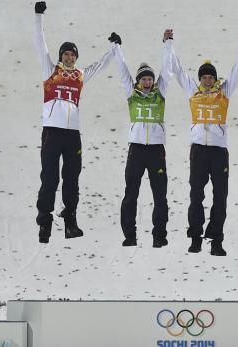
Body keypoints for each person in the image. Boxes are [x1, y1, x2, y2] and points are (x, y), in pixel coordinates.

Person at [34, 1, 115, 243]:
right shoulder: (50, 70)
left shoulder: (80, 75)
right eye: (66, 53)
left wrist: (113, 47)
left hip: (72, 134)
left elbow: (100, 66)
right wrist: (38, 16)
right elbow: (40, 43)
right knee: (50, 177)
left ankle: (70, 221)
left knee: (72, 177)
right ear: (60, 56)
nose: (69, 57)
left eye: (73, 54)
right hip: (52, 131)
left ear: (76, 57)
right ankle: (44, 222)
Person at [170, 26, 238, 256]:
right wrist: (169, 44)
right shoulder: (192, 90)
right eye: (204, 76)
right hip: (198, 151)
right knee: (196, 195)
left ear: (216, 78)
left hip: (218, 152)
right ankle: (195, 237)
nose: (207, 80)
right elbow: (176, 69)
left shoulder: (224, 92)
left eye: (211, 76)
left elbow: (237, 70)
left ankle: (216, 240)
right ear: (199, 78)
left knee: (220, 196)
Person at [112, 29, 174, 247]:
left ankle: (160, 236)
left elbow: (167, 69)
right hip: (136, 150)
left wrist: (167, 43)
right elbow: (122, 71)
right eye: (143, 79)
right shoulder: (131, 93)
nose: (147, 82)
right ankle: (129, 235)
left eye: (149, 78)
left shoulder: (161, 92)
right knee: (131, 194)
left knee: (160, 196)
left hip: (156, 151)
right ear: (138, 81)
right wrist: (116, 48)